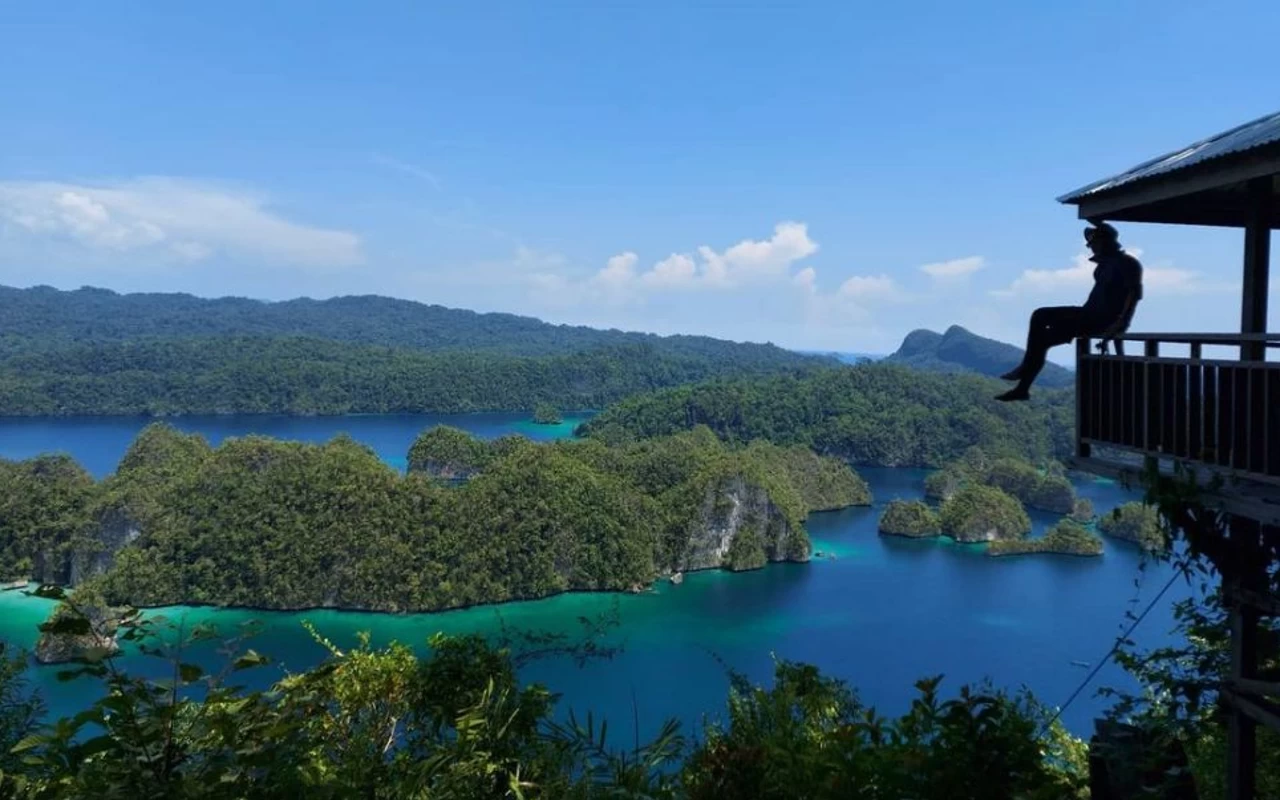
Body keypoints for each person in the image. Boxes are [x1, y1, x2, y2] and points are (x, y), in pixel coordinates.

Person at [996, 220, 1142, 402]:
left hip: (1099, 319)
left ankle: (1025, 371)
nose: (1091, 248)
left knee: (1040, 315)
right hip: (1088, 314)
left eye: (1093, 243)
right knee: (1041, 338)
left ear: (1105, 242)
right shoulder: (1105, 265)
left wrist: (1119, 324)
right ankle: (1023, 388)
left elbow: (1132, 295)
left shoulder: (1127, 264)